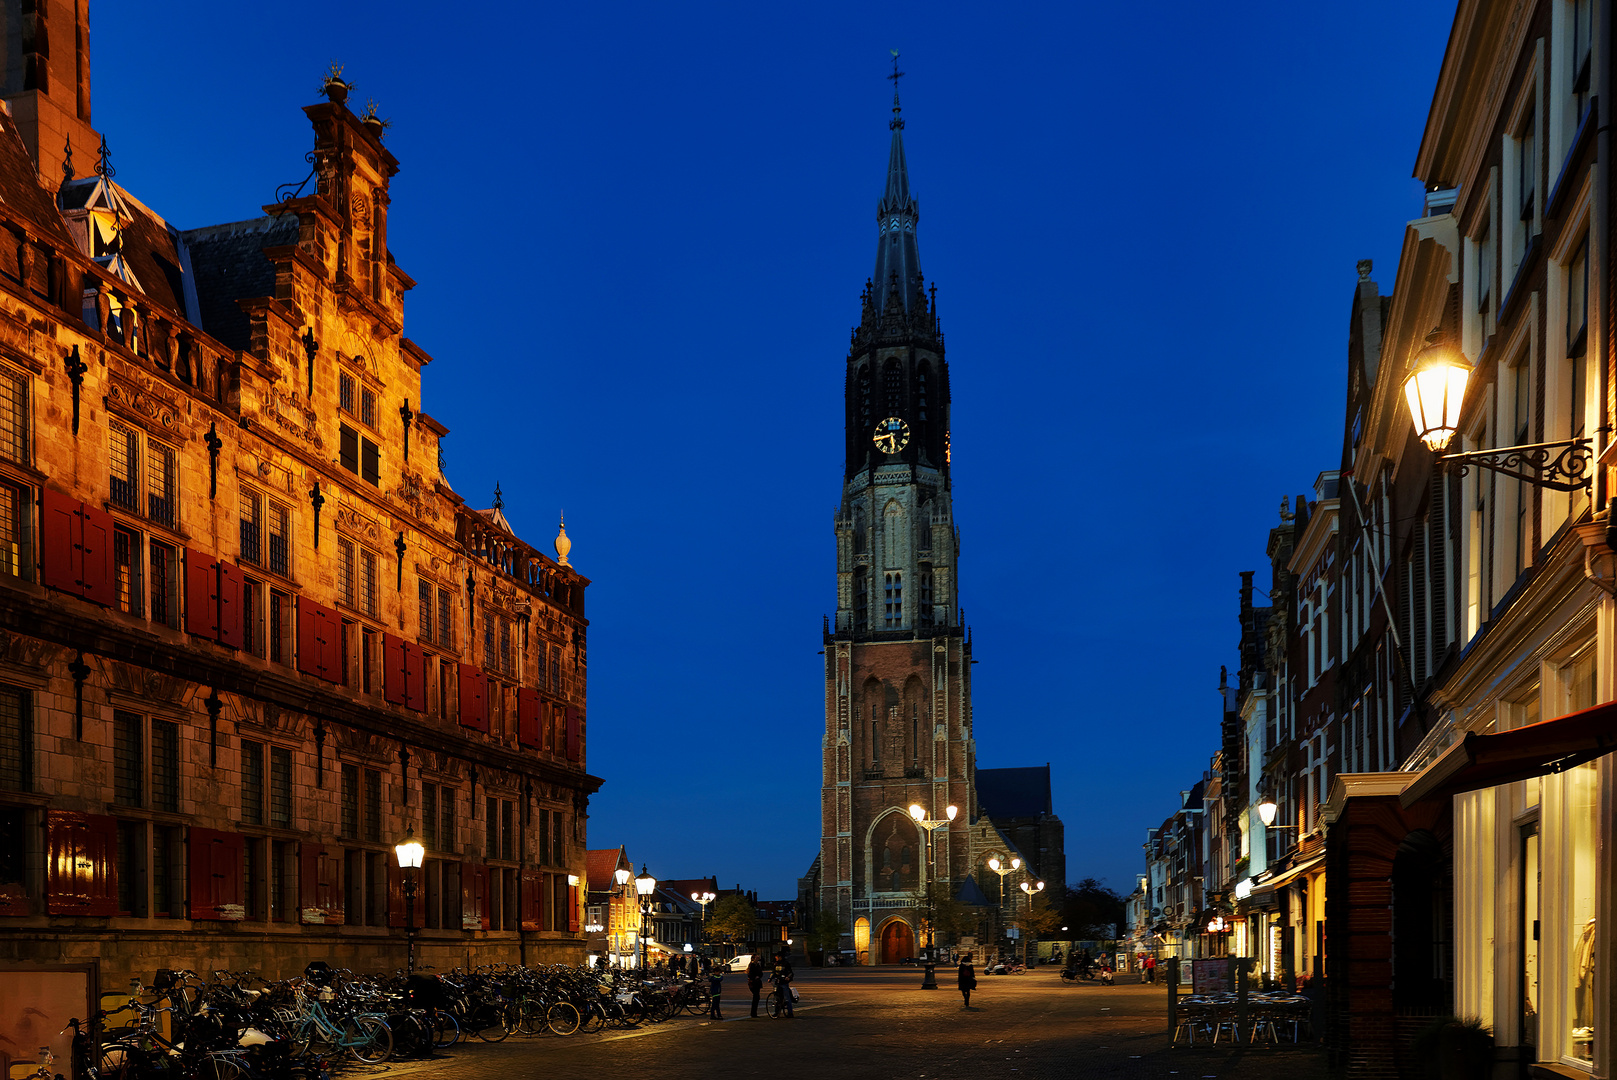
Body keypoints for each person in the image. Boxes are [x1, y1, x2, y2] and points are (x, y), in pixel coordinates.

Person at [771, 949, 795, 1017]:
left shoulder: (786, 963)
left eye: (777, 956)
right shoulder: (775, 964)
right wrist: (770, 978)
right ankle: (776, 1012)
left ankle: (790, 1012)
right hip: (778, 982)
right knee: (777, 998)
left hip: (784, 982)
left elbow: (790, 972)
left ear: (780, 957)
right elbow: (773, 972)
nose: (776, 958)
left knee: (787, 998)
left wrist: (788, 977)